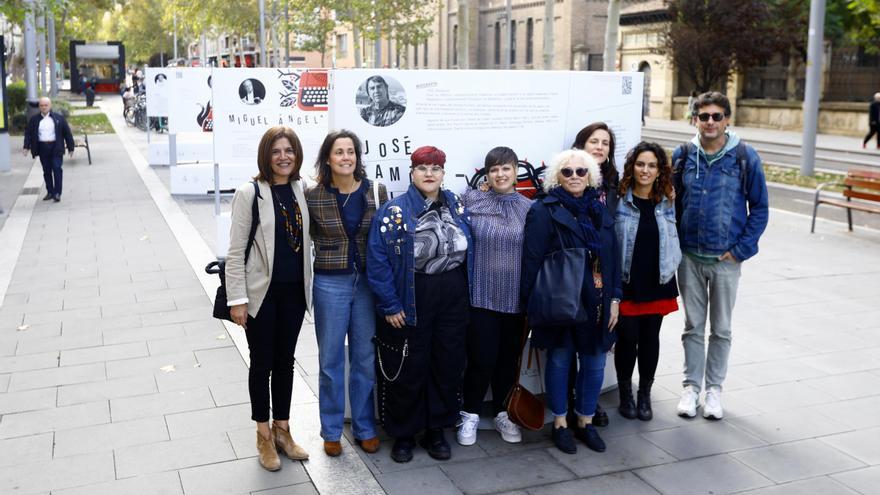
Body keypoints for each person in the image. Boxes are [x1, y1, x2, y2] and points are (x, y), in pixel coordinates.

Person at [366, 145, 473, 463]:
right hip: (413, 295)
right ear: (412, 173)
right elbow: (378, 260)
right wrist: (390, 304)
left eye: (436, 168)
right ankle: (403, 433)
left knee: (447, 363)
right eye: (423, 168)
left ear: (443, 173)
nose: (430, 174)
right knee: (410, 366)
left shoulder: (455, 203)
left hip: (453, 294)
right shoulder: (395, 211)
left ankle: (436, 429)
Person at [671, 91, 768, 420]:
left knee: (722, 329)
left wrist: (740, 250)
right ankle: (691, 388)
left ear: (727, 119)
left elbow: (760, 208)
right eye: (703, 116)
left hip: (726, 261)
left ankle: (714, 390)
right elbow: (671, 204)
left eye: (716, 116)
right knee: (693, 326)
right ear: (694, 119)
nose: (710, 122)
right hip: (690, 258)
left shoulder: (744, 157)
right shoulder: (683, 155)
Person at [520, 149, 620, 455]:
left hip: (599, 301)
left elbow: (614, 256)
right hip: (561, 300)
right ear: (556, 177)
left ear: (590, 175)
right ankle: (561, 422)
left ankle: (585, 420)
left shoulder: (600, 210)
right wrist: (530, 306)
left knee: (594, 362)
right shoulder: (544, 210)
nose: (574, 177)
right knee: (561, 360)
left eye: (580, 171)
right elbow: (532, 260)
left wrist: (616, 297)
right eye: (567, 172)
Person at [225, 126, 313, 471]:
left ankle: (283, 430)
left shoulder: (302, 189)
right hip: (260, 294)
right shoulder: (250, 193)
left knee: (286, 362)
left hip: (294, 293)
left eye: (289, 150)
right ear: (266, 155)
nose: (283, 157)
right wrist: (237, 299)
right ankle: (262, 435)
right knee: (262, 364)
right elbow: (234, 253)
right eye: (276, 151)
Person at [305, 130, 388, 457]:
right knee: (331, 359)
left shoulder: (376, 191)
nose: (345, 158)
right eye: (338, 152)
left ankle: (366, 427)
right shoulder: (313, 195)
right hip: (330, 282)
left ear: (357, 157)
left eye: (350, 152)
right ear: (328, 158)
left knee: (365, 358)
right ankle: (331, 430)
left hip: (368, 284)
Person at [456, 147, 533, 446]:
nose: (500, 174)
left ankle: (503, 412)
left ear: (516, 171)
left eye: (506, 168)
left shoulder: (529, 208)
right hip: (480, 296)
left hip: (515, 300)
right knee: (480, 358)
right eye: (494, 169)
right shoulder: (471, 200)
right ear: (486, 174)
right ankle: (469, 413)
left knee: (507, 360)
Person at [614, 142, 681, 422]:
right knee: (627, 339)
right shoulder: (618, 200)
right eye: (640, 164)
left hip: (658, 279)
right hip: (627, 280)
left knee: (650, 339)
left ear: (659, 170)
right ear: (632, 167)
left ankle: (644, 394)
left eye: (652, 165)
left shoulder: (668, 200)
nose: (645, 170)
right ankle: (625, 395)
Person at [571, 121, 620, 426]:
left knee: (597, 347)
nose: (600, 147)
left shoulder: (614, 187)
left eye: (605, 143)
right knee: (566, 349)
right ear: (581, 145)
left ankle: (589, 403)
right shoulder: (570, 178)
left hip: (605, 276)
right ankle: (570, 402)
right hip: (574, 276)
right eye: (594, 141)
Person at [23, 97, 74, 203]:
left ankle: (57, 193)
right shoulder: (34, 119)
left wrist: (71, 147)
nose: (44, 107)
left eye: (46, 105)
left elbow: (67, 133)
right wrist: (26, 147)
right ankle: (50, 191)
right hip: (42, 148)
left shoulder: (58, 118)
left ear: (50, 106)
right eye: (41, 105)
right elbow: (28, 133)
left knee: (57, 168)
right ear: (39, 107)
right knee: (46, 171)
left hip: (56, 147)